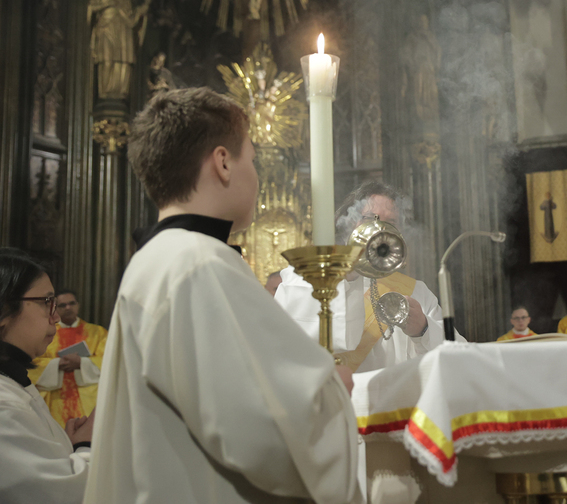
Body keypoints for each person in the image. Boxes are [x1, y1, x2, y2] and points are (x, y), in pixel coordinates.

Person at [84, 87, 360, 504]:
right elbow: (268, 438)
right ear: (223, 162)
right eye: (252, 159)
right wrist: (332, 393)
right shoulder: (199, 264)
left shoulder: (162, 258)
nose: (257, 176)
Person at [275, 180, 464, 373]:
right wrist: (347, 272)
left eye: (390, 223)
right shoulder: (307, 276)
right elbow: (288, 341)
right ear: (350, 223)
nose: (379, 228)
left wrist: (423, 329)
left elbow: (459, 357)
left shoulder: (415, 291)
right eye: (369, 219)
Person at [0, 248, 92, 502]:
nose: (57, 317)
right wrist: (86, 446)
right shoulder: (4, 406)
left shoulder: (11, 380)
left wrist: (64, 448)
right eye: (46, 302)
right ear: (4, 309)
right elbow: (63, 495)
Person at [28, 289, 108, 425]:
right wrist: (57, 364)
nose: (68, 308)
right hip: (55, 399)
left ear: (78, 305)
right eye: (62, 305)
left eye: (72, 303)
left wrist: (82, 362)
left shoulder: (97, 332)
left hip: (90, 398)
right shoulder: (45, 333)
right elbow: (32, 362)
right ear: (54, 308)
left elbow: (109, 362)